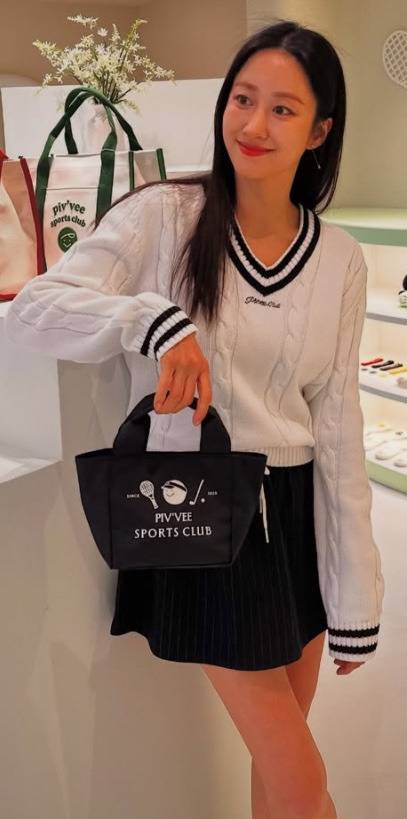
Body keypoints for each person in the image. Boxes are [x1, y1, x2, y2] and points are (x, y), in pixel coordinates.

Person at [4, 19, 385, 819]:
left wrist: (355, 597)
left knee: (277, 776)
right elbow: (36, 307)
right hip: (206, 515)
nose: (253, 124)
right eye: (242, 98)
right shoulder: (166, 215)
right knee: (301, 780)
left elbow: (338, 429)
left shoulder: (338, 259)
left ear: (319, 132)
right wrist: (151, 319)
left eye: (282, 109)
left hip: (296, 518)